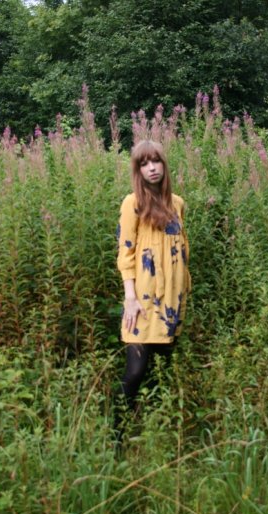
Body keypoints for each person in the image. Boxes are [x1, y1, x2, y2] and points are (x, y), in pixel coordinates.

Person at [114, 139, 191, 439]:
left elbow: (182, 250)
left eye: (156, 161)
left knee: (161, 368)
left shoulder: (178, 204)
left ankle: (155, 433)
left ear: (164, 164)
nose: (152, 168)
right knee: (135, 370)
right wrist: (129, 297)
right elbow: (126, 253)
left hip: (172, 299)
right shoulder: (132, 204)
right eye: (144, 163)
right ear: (138, 169)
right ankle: (116, 436)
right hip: (142, 301)